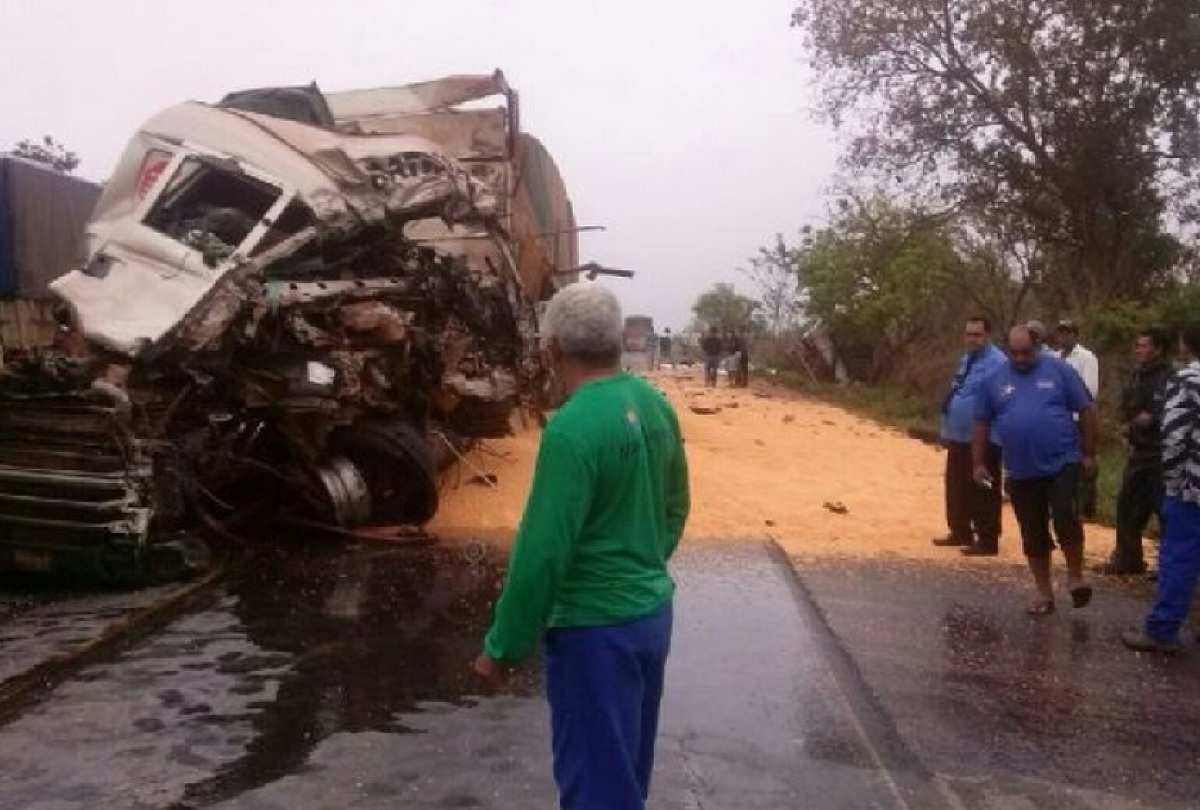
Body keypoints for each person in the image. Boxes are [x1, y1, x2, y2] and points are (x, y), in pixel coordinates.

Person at [473, 283, 690, 808]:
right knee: (625, 774)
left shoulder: (571, 429)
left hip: (595, 634)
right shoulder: (655, 406)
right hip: (650, 618)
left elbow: (543, 554)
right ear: (618, 341)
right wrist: (641, 567)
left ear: (551, 350)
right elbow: (676, 506)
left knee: (596, 787)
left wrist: (502, 647)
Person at [974, 325, 1097, 615]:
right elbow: (980, 422)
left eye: (1025, 352)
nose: (1019, 359)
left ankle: (1076, 576)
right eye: (1014, 353)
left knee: (1066, 516)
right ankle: (1044, 594)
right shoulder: (994, 380)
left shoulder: (1059, 370)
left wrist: (1090, 453)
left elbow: (1087, 410)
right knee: (1032, 532)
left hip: (1062, 461)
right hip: (1021, 469)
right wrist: (978, 464)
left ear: (1038, 346)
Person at [1122, 324, 1200, 653]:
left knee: (1178, 556)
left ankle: (1162, 629)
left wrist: (1172, 482)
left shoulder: (1185, 380)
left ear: (1185, 344)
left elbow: (1174, 435)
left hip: (1189, 485)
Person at [1099, 328, 1172, 576]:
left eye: (1144, 345)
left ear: (1158, 349)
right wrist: (1124, 427)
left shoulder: (1169, 377)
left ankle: (1169, 567)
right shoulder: (1136, 375)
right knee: (1127, 505)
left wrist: (1148, 419)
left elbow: (1157, 415)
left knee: (1165, 511)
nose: (1139, 350)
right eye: (1137, 345)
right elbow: (1129, 409)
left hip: (1162, 454)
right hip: (1138, 451)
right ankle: (1128, 559)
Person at [933, 316, 1007, 555]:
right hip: (958, 435)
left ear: (988, 335)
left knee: (983, 486)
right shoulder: (967, 359)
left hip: (984, 437)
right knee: (956, 485)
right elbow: (957, 391)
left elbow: (1002, 401)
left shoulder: (998, 362)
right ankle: (960, 530)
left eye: (977, 335)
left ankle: (987, 538)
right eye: (969, 334)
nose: (972, 339)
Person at [1056, 320, 1101, 519]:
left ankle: (1086, 508)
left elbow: (1089, 390)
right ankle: (1067, 504)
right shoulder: (1055, 357)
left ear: (1075, 334)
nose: (1063, 337)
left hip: (1079, 417)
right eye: (1060, 333)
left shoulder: (1087, 357)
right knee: (1065, 464)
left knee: (1085, 460)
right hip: (1059, 419)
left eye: (1067, 333)